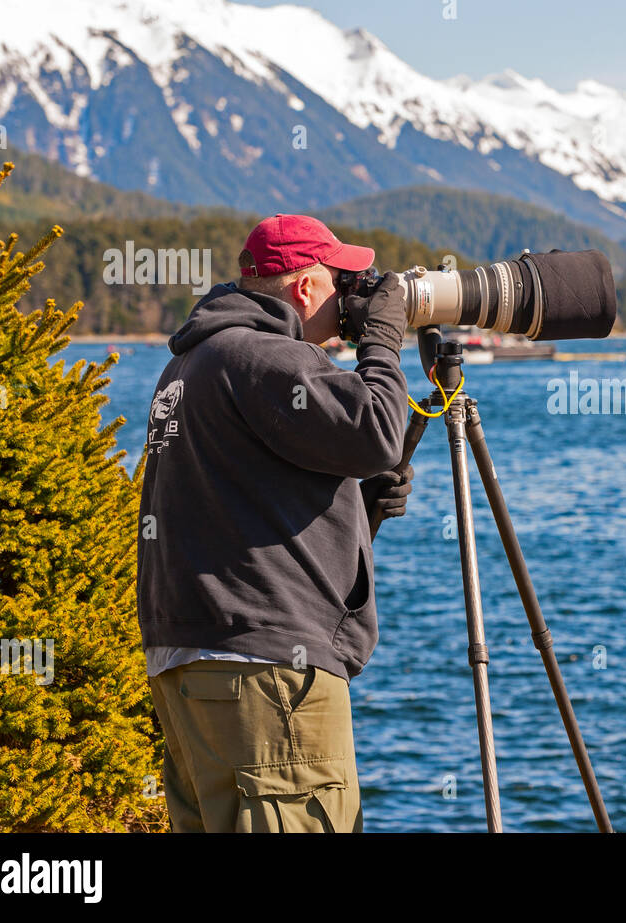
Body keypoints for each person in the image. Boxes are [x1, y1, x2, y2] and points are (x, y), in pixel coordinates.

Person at [136, 214, 411, 832]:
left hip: (193, 666)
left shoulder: (196, 361)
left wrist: (356, 515)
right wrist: (383, 343)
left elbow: (232, 507)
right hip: (266, 675)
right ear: (306, 288)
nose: (351, 301)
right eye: (344, 283)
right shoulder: (263, 356)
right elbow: (377, 432)